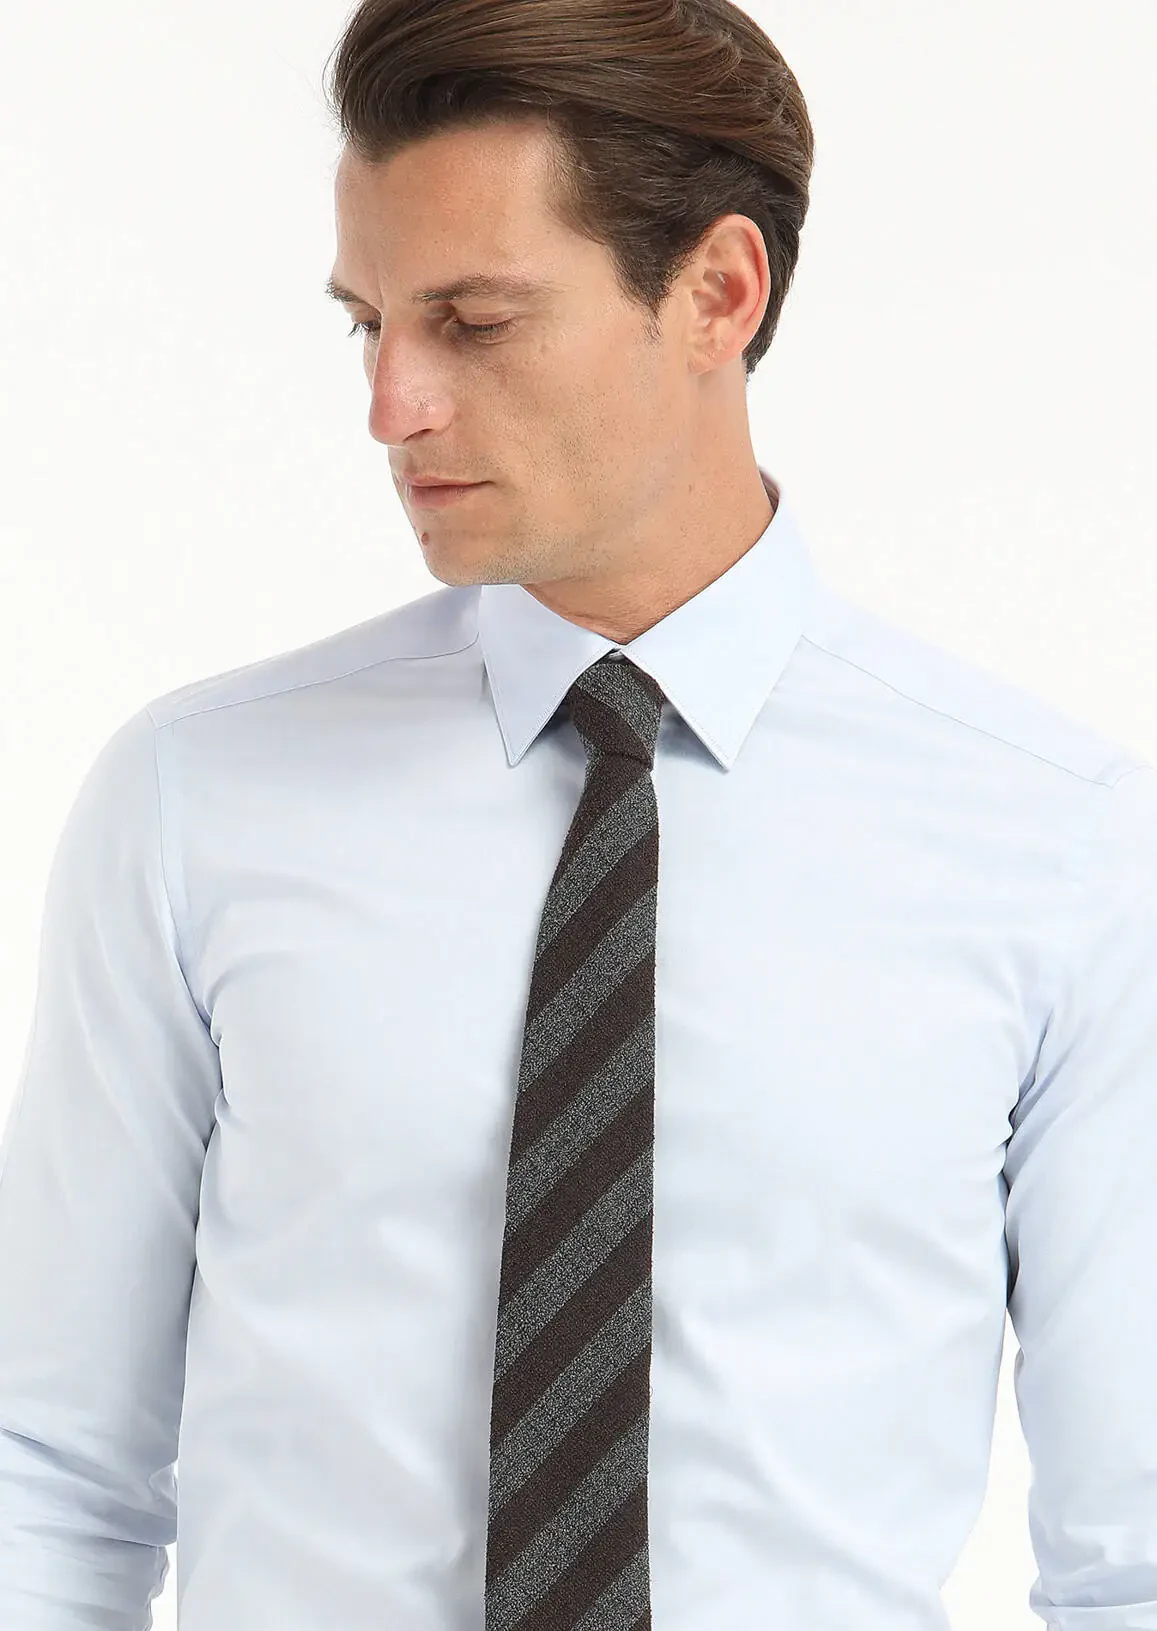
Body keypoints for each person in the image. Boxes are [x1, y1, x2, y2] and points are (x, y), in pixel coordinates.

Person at [2, 2, 1155, 1628]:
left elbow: (1130, 1556)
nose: (393, 404)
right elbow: (50, 1473)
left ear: (719, 293)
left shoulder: (1059, 847)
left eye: (473, 321)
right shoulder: (199, 803)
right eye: (368, 324)